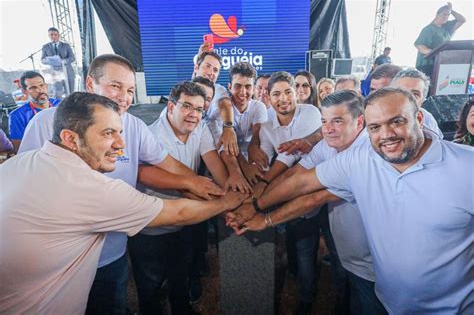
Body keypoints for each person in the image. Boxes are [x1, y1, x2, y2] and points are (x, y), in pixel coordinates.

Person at [231, 87, 473, 313]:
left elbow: (313, 198)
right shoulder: (361, 159)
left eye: (397, 122)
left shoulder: (467, 167)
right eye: (375, 127)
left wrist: (262, 215)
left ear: (419, 119)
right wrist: (255, 208)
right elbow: (301, 181)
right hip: (387, 297)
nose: (386, 135)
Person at [0, 92, 246, 314]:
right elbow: (179, 212)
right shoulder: (91, 189)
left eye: (119, 132)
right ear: (70, 138)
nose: (121, 144)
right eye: (108, 133)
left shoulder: (18, 163)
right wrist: (229, 201)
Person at [230, 91, 387, 314]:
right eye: (324, 122)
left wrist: (260, 216)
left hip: (374, 263)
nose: (328, 129)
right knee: (345, 289)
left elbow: (311, 196)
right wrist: (255, 198)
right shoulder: (329, 144)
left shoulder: (363, 154)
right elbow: (293, 174)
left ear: (359, 121)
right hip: (352, 250)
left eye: (338, 121)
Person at [129, 81, 229, 314]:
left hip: (184, 222)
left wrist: (227, 192)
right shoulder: (151, 136)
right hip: (150, 228)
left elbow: (214, 163)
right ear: (171, 106)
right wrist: (227, 205)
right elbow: (185, 187)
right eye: (187, 107)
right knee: (149, 286)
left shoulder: (201, 127)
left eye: (199, 109)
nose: (194, 114)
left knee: (180, 276)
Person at [257, 71, 322, 314]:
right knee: (287, 245)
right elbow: (264, 160)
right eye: (276, 94)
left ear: (296, 93)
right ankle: (289, 281)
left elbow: (290, 155)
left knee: (305, 249)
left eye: (287, 92)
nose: (283, 98)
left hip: (308, 193)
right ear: (269, 97)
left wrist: (263, 188)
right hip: (281, 198)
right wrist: (257, 172)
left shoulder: (310, 113)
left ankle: (306, 297)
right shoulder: (266, 126)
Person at [8, 71, 61, 152]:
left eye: (41, 85)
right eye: (33, 88)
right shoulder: (18, 115)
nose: (40, 90)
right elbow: (19, 149)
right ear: (24, 91)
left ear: (46, 86)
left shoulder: (62, 105)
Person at [414, 2, 466, 78]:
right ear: (437, 15)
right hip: (427, 65)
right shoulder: (428, 29)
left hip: (441, 64)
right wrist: (436, 52)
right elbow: (420, 46)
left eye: (448, 15)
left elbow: (462, 20)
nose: (446, 16)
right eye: (444, 14)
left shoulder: (447, 28)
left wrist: (452, 10)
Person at [390, 68, 443, 138]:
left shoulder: (428, 120)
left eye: (415, 94)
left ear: (423, 100)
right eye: (401, 92)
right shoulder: (375, 118)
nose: (407, 99)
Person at [41, 27, 76, 93]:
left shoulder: (66, 45)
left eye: (55, 34)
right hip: (55, 74)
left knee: (70, 93)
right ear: (49, 36)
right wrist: (49, 60)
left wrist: (64, 61)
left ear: (58, 35)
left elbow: (72, 58)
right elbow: (42, 60)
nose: (53, 36)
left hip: (68, 72)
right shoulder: (45, 47)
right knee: (57, 93)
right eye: (51, 35)